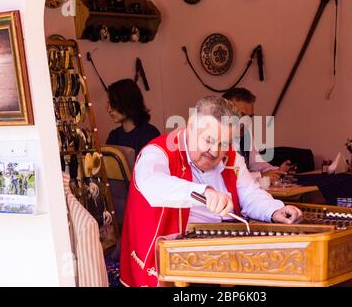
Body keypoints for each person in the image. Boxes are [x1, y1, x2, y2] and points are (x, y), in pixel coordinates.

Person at [120, 96, 303, 287]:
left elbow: (250, 195)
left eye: (224, 144)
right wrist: (204, 192)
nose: (215, 152)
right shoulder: (158, 151)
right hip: (171, 261)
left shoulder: (232, 156)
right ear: (191, 126)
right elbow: (151, 184)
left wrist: (274, 210)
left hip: (224, 256)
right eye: (209, 140)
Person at [222, 87, 292, 182]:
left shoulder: (246, 133)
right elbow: (226, 175)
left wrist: (277, 171)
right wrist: (260, 175)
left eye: (249, 117)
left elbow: (256, 163)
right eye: (241, 115)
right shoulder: (213, 138)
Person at [106, 79, 160, 157]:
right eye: (109, 104)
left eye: (114, 103)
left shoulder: (149, 135)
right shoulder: (114, 136)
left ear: (128, 102)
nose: (109, 110)